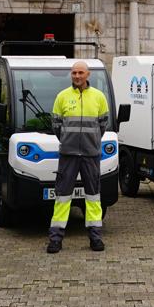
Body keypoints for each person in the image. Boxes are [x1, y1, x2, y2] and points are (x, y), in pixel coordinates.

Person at [46, 60, 110, 254]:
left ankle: (95, 238)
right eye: (74, 73)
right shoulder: (62, 97)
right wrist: (67, 140)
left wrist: (91, 142)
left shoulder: (99, 97)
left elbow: (103, 125)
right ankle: (55, 239)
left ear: (88, 75)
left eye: (81, 72)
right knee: (63, 197)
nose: (77, 76)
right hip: (69, 155)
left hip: (91, 155)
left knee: (93, 197)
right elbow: (56, 125)